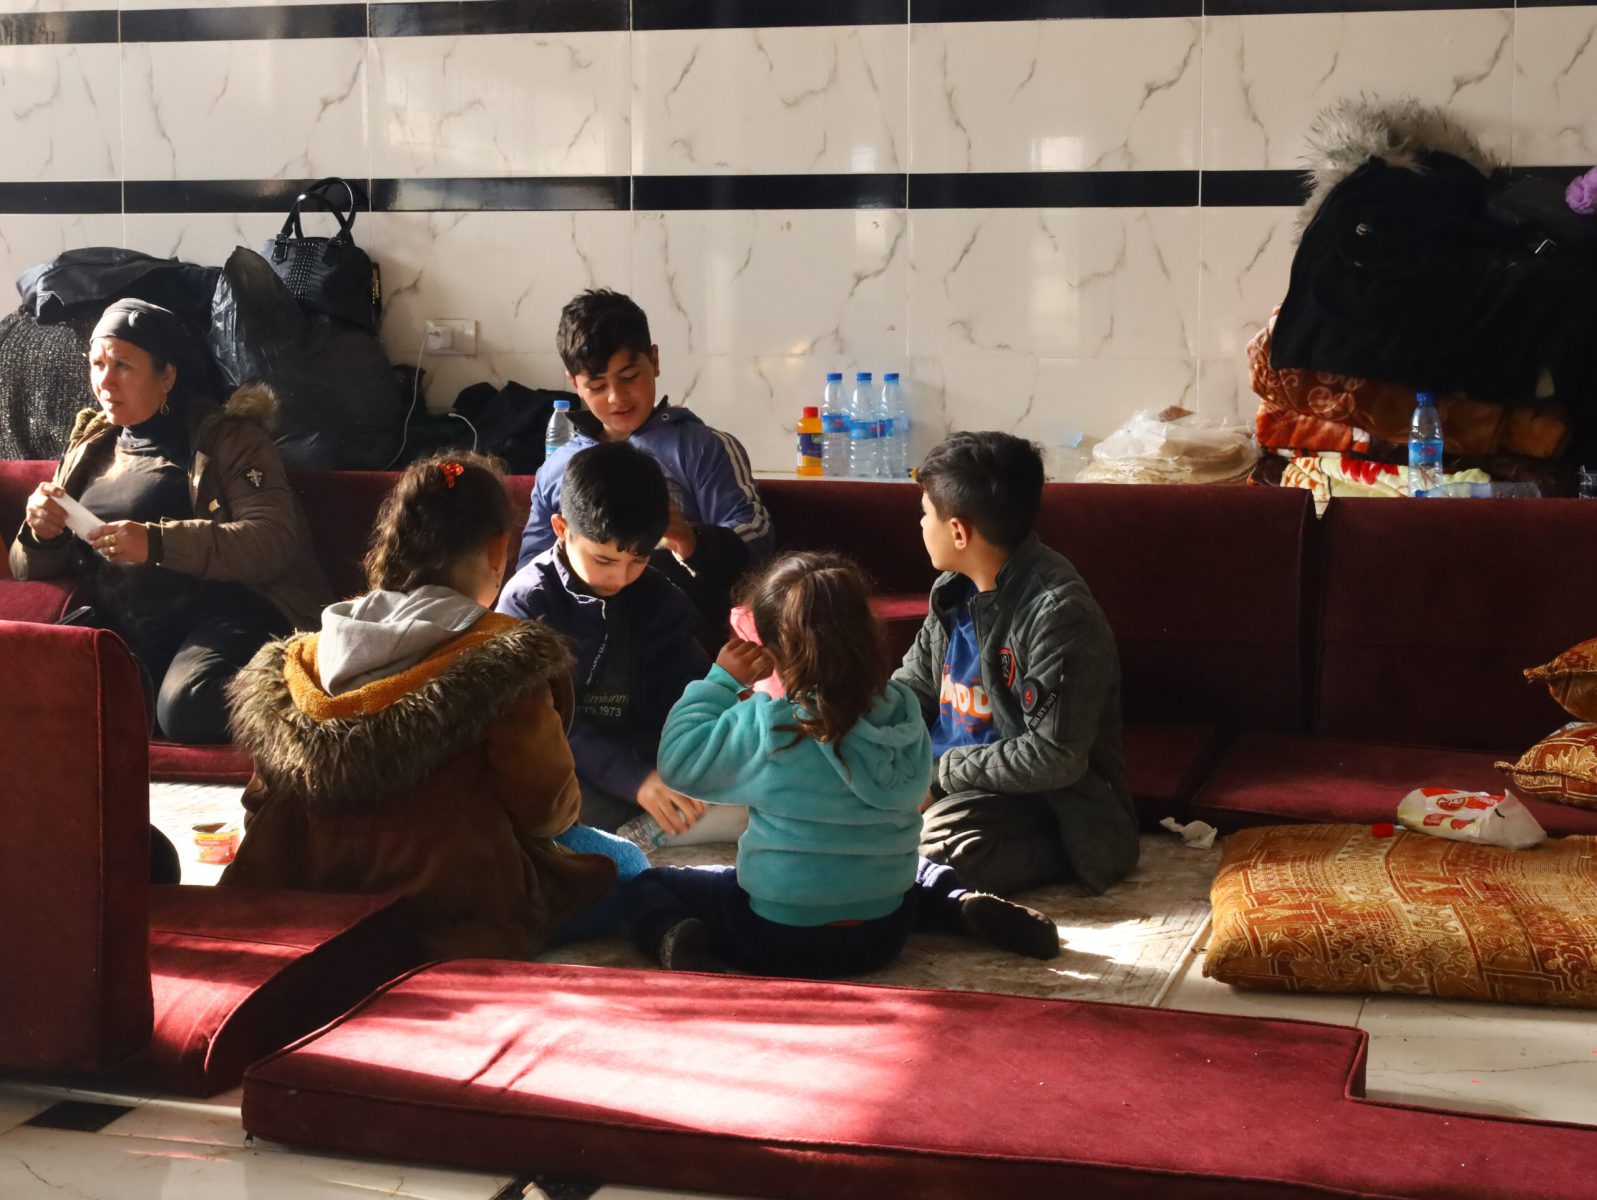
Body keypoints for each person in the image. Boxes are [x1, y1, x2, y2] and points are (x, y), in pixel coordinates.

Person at [220, 453, 617, 960]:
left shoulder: (301, 660)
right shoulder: (503, 660)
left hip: (298, 900)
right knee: (619, 865)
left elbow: (259, 805)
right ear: (498, 549)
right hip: (446, 911)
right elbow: (547, 813)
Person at [624, 552, 1060, 978]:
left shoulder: (769, 725)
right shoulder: (902, 710)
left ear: (773, 653)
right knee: (921, 872)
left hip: (778, 936)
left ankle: (675, 934)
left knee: (648, 883)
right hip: (884, 932)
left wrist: (721, 681)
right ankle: (960, 902)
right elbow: (911, 795)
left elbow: (679, 762)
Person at [9, 298, 328, 745]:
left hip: (228, 612)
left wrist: (156, 543)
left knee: (185, 706)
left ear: (167, 376)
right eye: (97, 364)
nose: (104, 381)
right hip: (130, 620)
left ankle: (320, 699)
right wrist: (41, 534)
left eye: (123, 366)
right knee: (23, 675)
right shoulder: (89, 446)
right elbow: (24, 569)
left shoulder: (230, 440)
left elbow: (272, 541)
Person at [895, 432, 1139, 898]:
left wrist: (937, 775)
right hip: (944, 780)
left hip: (1037, 797)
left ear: (959, 532)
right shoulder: (953, 589)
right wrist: (850, 727)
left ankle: (1072, 849)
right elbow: (912, 689)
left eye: (925, 513)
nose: (921, 524)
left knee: (935, 847)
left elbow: (1052, 757)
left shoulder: (1058, 613)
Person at [499, 440, 731, 844]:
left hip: (647, 754)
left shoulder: (660, 598)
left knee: (737, 766)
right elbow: (539, 722)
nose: (620, 577)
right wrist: (633, 779)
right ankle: (633, 832)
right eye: (604, 560)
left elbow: (685, 693)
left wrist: (725, 686)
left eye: (639, 560)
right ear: (561, 529)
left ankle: (654, 823)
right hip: (569, 759)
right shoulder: (528, 602)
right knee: (540, 791)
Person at [516, 288, 772, 639]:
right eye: (597, 386)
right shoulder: (557, 468)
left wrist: (691, 539)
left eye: (628, 377)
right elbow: (529, 572)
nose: (616, 397)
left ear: (654, 360)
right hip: (580, 645)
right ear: (574, 383)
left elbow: (758, 543)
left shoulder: (702, 448)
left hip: (681, 639)